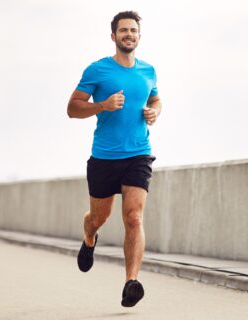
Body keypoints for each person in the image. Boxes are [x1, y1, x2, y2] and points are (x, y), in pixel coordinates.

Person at [67, 10, 162, 308]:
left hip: (138, 153)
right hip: (104, 157)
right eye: (123, 30)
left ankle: (131, 282)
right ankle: (89, 236)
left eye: (133, 30)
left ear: (139, 36)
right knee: (99, 217)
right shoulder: (98, 70)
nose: (129, 34)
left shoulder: (148, 71)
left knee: (134, 217)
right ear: (113, 36)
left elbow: (156, 98)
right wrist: (103, 105)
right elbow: (73, 108)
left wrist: (154, 112)